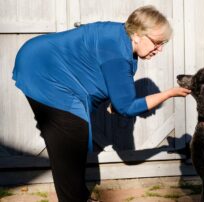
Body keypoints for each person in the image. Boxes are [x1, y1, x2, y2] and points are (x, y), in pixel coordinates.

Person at [12, 5, 191, 202]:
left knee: (72, 143)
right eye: (157, 42)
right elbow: (127, 107)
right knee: (71, 139)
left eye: (163, 43)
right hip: (43, 70)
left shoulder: (122, 39)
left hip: (44, 64)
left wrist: (117, 102)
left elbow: (112, 86)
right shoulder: (118, 53)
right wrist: (170, 93)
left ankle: (78, 196)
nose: (160, 49)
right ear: (138, 34)